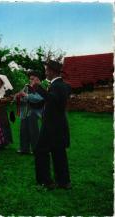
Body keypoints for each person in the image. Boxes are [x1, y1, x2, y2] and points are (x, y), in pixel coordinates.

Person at [31, 60, 71, 190]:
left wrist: (38, 87)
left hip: (51, 126)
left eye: (46, 70)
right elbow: (52, 102)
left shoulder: (57, 86)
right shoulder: (62, 85)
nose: (45, 72)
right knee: (58, 152)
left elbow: (53, 100)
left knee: (40, 151)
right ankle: (64, 182)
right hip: (58, 125)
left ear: (52, 71)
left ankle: (46, 182)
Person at [16, 71, 44, 154]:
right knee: (23, 130)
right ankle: (24, 149)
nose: (31, 80)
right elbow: (22, 96)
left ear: (37, 79)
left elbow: (39, 98)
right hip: (24, 111)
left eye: (33, 79)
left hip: (34, 112)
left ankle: (36, 149)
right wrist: (18, 96)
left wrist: (26, 96)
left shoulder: (40, 87)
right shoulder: (26, 87)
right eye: (30, 79)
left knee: (34, 131)